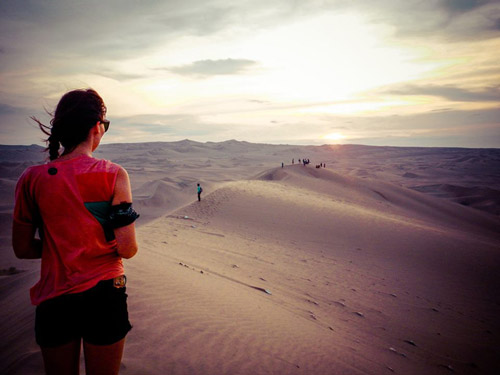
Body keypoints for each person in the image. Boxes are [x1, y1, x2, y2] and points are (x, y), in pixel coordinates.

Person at [12, 89, 139, 375]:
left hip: (54, 299)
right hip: (105, 294)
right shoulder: (114, 174)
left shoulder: (31, 179)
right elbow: (128, 248)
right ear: (97, 127)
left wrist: (64, 249)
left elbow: (22, 249)